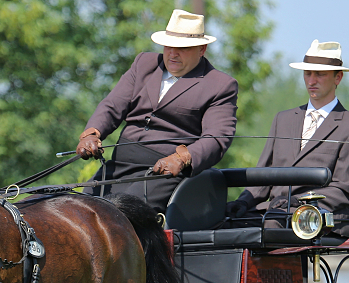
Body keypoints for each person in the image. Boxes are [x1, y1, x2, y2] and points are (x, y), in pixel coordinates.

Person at [76, 9, 238, 212]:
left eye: (182, 48)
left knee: (119, 211)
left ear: (202, 49)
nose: (173, 53)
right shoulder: (144, 63)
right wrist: (92, 133)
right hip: (119, 163)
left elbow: (216, 139)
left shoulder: (220, 85)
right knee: (81, 208)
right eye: (168, 46)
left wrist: (182, 158)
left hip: (164, 172)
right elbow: (113, 105)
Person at [225, 40, 349, 237]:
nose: (311, 81)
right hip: (274, 214)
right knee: (223, 225)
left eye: (320, 74)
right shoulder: (282, 119)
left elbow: (344, 189)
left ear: (338, 77)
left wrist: (299, 203)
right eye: (307, 73)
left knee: (271, 229)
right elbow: (263, 175)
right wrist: (243, 201)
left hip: (317, 218)